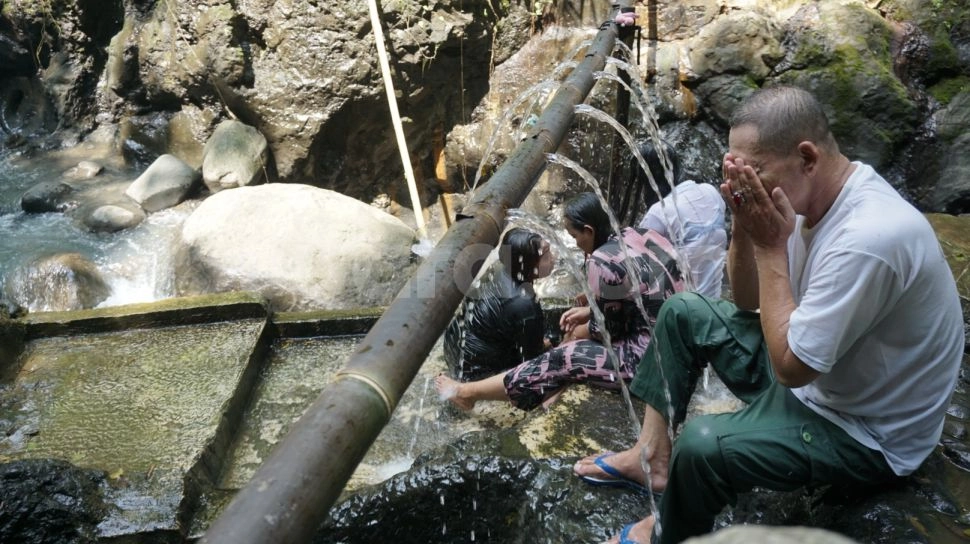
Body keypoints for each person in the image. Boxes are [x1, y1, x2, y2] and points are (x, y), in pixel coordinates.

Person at [573, 85, 965, 544]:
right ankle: (651, 455)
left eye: (753, 172)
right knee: (681, 311)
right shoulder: (807, 196)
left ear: (807, 158)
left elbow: (792, 368)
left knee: (702, 446)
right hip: (829, 380)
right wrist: (743, 223)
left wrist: (770, 245)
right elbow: (745, 299)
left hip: (868, 432)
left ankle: (668, 533)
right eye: (736, 170)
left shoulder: (869, 237)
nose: (745, 183)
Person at [435, 192, 683, 411]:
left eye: (574, 236)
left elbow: (609, 331)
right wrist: (591, 309)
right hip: (674, 342)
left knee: (562, 357)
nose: (573, 244)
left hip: (650, 362)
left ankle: (467, 392)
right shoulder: (638, 233)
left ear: (590, 230)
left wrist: (576, 334)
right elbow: (642, 293)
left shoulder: (602, 261)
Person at [443, 227, 555, 382]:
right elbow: (531, 359)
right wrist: (550, 343)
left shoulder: (499, 266)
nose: (553, 257)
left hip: (454, 348)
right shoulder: (525, 304)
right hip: (480, 373)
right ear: (530, 263)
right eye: (546, 255)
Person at [634, 141, 727, 299]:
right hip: (715, 305)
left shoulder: (658, 213)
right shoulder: (711, 192)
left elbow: (648, 284)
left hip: (683, 313)